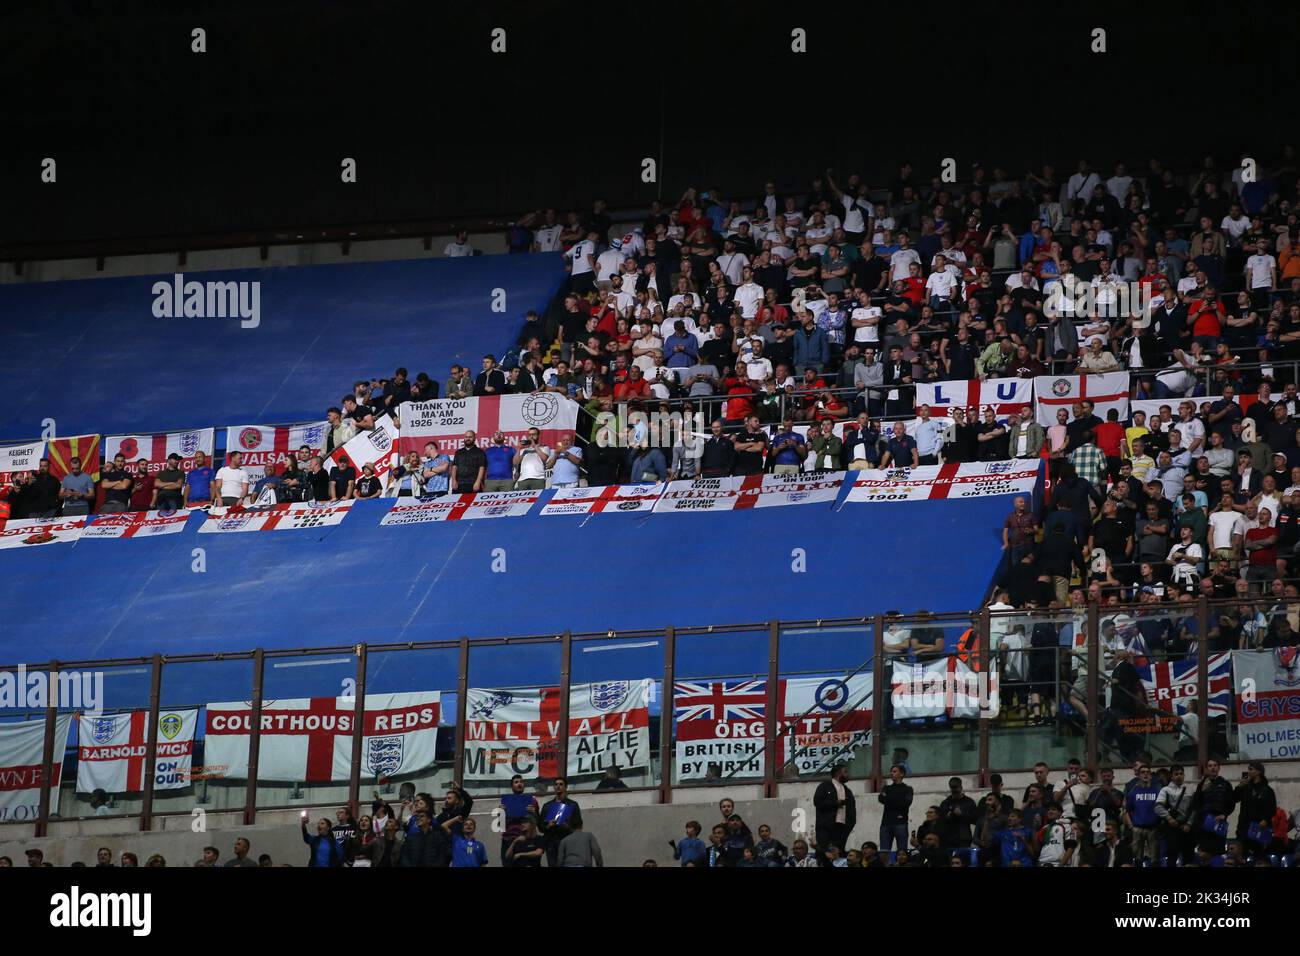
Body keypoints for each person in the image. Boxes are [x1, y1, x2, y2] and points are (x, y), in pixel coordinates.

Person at [813, 763, 856, 865]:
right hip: (826, 828)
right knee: (824, 854)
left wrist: (850, 825)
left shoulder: (848, 791)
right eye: (845, 772)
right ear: (838, 773)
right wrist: (836, 803)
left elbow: (852, 810)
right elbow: (817, 802)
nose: (848, 774)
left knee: (839, 855)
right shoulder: (824, 786)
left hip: (842, 828)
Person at [539, 778, 582, 867]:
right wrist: (548, 825)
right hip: (551, 842)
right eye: (556, 784)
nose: (558, 786)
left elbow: (578, 825)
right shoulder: (547, 806)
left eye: (561, 784)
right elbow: (540, 827)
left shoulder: (572, 805)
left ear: (565, 787)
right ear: (554, 787)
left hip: (567, 840)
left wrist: (568, 825)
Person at [878, 763, 913, 857]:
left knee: (902, 852)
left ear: (901, 774)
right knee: (884, 852)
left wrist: (888, 798)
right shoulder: (887, 788)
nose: (891, 773)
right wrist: (896, 799)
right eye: (891, 772)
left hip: (901, 822)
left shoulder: (908, 789)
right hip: (886, 823)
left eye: (894, 771)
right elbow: (881, 799)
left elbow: (905, 803)